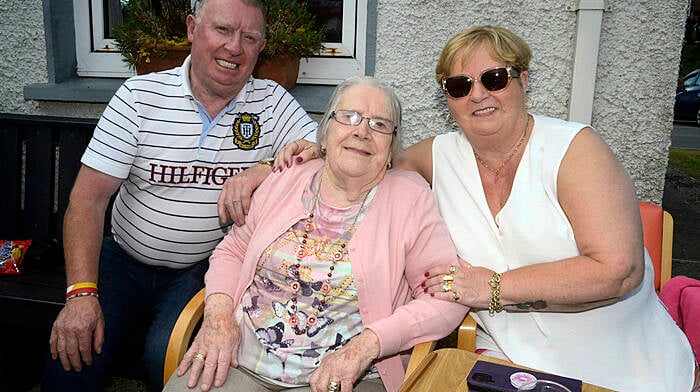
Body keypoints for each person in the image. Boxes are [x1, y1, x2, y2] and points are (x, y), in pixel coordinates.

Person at [266, 26, 698, 391]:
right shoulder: (439, 155)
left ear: (523, 80)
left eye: (494, 78)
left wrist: (492, 287)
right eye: (459, 85)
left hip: (622, 362)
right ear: (448, 102)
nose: (478, 94)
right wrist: (292, 160)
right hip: (511, 361)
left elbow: (618, 270)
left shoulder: (573, 149)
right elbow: (366, 159)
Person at [41, 0, 317, 390]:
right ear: (192, 29)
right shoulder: (140, 97)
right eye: (222, 30)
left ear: (261, 47)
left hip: (202, 270)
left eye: (249, 37)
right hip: (123, 260)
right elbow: (88, 200)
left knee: (172, 357)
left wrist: (264, 168)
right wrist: (81, 294)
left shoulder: (270, 102)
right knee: (74, 349)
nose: (234, 48)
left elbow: (323, 147)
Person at [164, 76, 468, 392]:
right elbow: (233, 251)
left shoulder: (410, 198)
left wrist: (367, 346)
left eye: (379, 124)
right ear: (324, 134)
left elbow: (447, 294)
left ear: (391, 147)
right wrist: (218, 318)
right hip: (239, 358)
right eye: (349, 117)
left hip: (346, 376)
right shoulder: (286, 177)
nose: (361, 131)